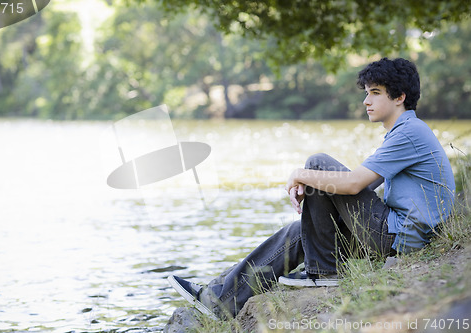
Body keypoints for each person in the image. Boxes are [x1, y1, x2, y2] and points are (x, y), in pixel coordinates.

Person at [167, 57, 456, 320]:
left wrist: (301, 174)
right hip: (392, 235)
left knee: (318, 163)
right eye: (366, 93)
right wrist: (313, 183)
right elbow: (360, 184)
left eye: (375, 92)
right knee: (297, 232)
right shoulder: (402, 133)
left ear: (400, 97)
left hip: (398, 238)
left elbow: (354, 183)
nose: (366, 101)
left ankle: (324, 271)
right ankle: (219, 300)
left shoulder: (409, 133)